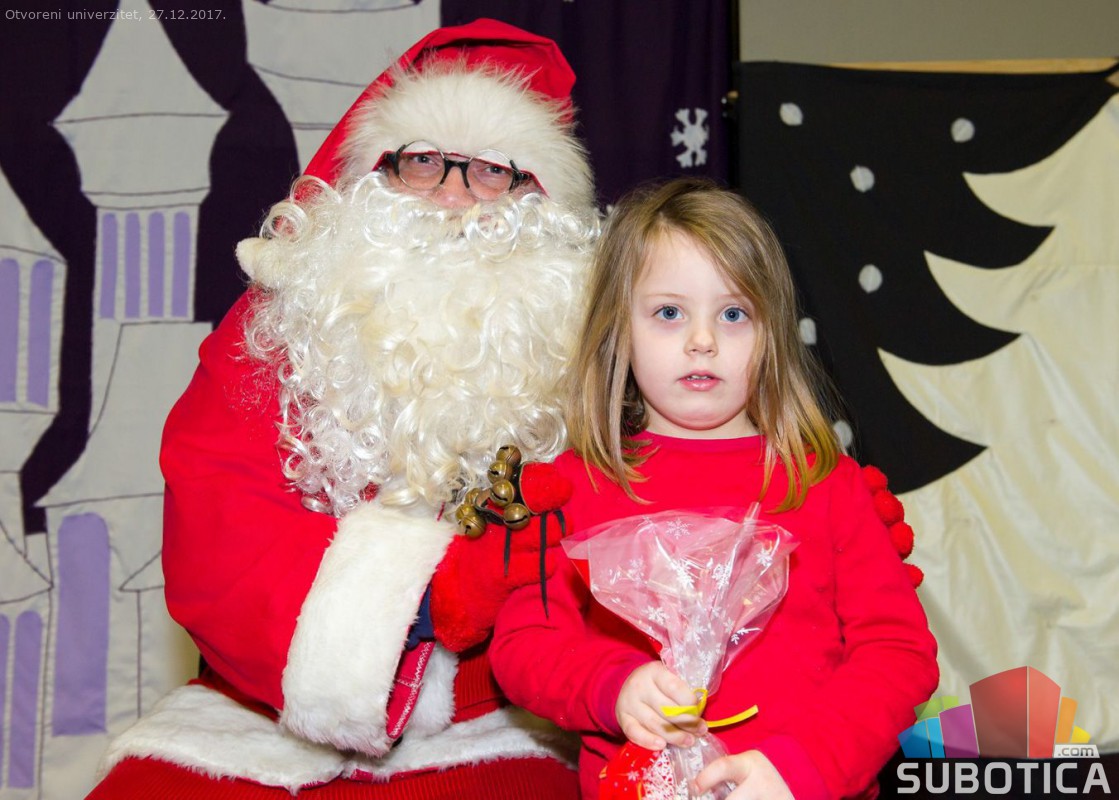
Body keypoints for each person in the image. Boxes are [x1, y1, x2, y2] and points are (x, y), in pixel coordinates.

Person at [86, 19, 599, 800]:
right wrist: (422, 606)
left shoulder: (582, 347)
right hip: (266, 712)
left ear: (540, 199)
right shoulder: (277, 330)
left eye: (491, 171)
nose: (451, 193)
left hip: (500, 708)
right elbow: (217, 515)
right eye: (421, 161)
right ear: (372, 176)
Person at [489, 178, 939, 800]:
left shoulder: (823, 482)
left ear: (771, 334)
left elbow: (896, 653)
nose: (702, 341)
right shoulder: (571, 486)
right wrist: (611, 686)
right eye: (669, 313)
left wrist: (803, 768)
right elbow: (524, 645)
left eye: (733, 314)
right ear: (619, 329)